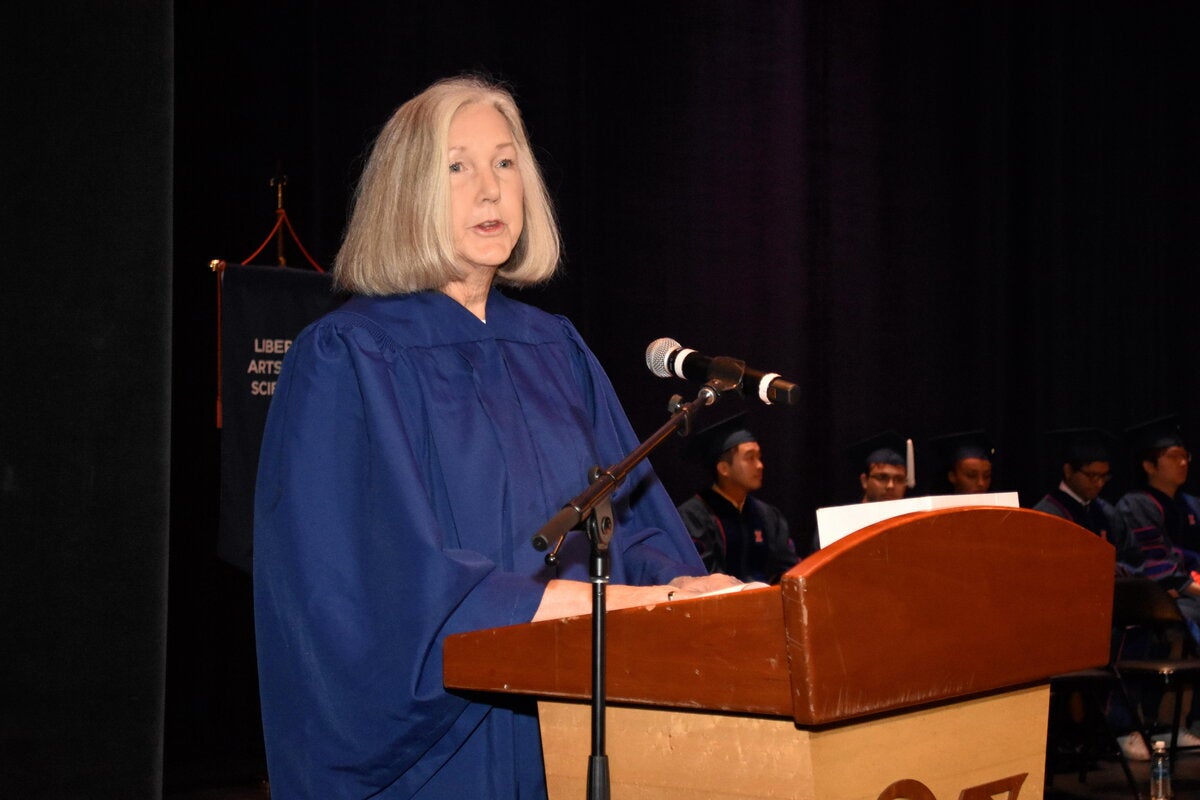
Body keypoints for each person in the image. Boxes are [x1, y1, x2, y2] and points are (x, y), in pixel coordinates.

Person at [252, 75, 737, 799]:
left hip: (576, 725)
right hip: (445, 751)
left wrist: (690, 591)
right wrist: (636, 608)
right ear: (405, 193)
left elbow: (634, 526)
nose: (490, 190)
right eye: (457, 167)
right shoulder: (349, 358)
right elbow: (379, 595)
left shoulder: (555, 349)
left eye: (505, 163)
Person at [676, 415, 798, 584]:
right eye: (750, 458)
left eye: (759, 457)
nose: (760, 465)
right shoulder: (693, 517)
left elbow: (787, 569)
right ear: (724, 468)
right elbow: (701, 576)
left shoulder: (767, 515)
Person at [1033, 427, 1130, 554]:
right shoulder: (1047, 516)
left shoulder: (1107, 513)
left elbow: (1132, 557)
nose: (1100, 483)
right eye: (1092, 476)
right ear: (1068, 471)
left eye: (1104, 476)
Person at [849, 430, 914, 503]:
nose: (890, 486)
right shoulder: (845, 514)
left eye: (899, 479)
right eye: (882, 477)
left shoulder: (919, 514)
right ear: (864, 481)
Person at [928, 429, 994, 494]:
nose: (981, 483)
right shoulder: (941, 504)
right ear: (952, 476)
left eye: (987, 476)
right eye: (971, 475)